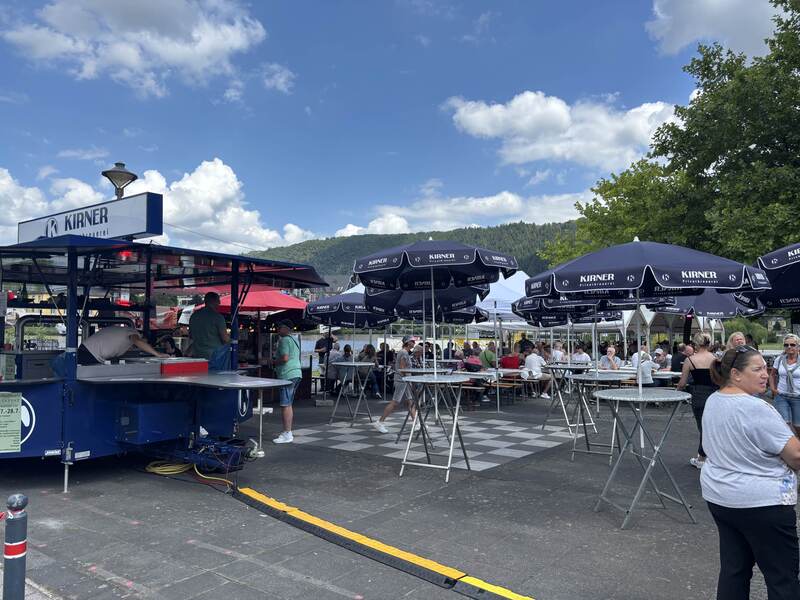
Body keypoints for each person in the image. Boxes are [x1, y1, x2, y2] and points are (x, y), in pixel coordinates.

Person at [701, 345, 800, 599]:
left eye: (765, 368)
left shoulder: (714, 400)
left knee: (734, 571)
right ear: (735, 374)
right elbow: (796, 455)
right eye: (756, 370)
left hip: (721, 498)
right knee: (782, 578)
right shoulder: (756, 408)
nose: (765, 374)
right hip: (763, 503)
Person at [677, 333, 719, 469]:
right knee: (713, 426)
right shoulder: (716, 359)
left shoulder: (690, 360)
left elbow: (682, 382)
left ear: (695, 344)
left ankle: (702, 457)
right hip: (715, 394)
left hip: (699, 394)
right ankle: (713, 456)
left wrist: (677, 391)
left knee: (703, 427)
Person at [373, 336, 416, 433]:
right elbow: (402, 368)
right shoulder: (404, 353)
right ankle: (380, 422)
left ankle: (416, 422)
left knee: (410, 401)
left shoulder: (404, 352)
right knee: (395, 402)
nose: (414, 342)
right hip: (402, 380)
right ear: (407, 342)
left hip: (404, 380)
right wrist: (408, 379)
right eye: (412, 341)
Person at [271, 320, 302, 444]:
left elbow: (284, 358)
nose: (277, 329)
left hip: (287, 374)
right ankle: (287, 432)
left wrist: (272, 361)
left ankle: (287, 433)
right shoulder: (294, 340)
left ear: (286, 328)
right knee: (288, 404)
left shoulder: (284, 340)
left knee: (285, 404)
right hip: (296, 373)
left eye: (279, 327)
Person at [78, 325, 168, 364]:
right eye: (146, 343)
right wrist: (158, 354)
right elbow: (138, 342)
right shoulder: (134, 333)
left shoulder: (125, 332)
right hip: (91, 353)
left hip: (87, 349)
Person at [770, 334, 800, 433]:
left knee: (798, 426)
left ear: (798, 346)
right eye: (786, 345)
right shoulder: (779, 359)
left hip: (798, 397)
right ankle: (789, 441)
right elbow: (772, 375)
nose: (789, 347)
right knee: (784, 424)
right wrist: (773, 389)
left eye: (792, 344)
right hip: (781, 395)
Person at [189, 292, 230, 360]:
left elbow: (191, 336)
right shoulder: (218, 317)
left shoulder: (194, 316)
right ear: (214, 302)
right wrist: (233, 342)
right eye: (218, 301)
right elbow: (225, 338)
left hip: (197, 354)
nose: (219, 303)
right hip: (214, 355)